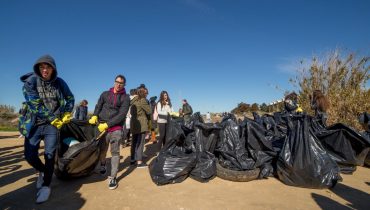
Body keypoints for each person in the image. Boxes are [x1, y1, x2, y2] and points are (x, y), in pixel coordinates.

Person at [19, 55, 75, 203]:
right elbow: (34, 104)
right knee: (29, 155)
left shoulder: (60, 82)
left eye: (48, 67)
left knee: (50, 154)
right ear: (38, 68)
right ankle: (43, 171)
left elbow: (70, 98)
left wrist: (67, 113)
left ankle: (46, 186)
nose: (45, 70)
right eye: (42, 67)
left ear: (53, 69)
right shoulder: (31, 82)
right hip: (35, 123)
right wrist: (53, 119)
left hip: (52, 126)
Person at [89, 75, 129, 190]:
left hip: (115, 128)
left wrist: (108, 124)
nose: (118, 84)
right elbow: (98, 106)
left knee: (115, 152)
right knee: (102, 150)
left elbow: (122, 114)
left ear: (124, 85)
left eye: (121, 83)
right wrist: (95, 115)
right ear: (114, 82)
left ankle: (113, 177)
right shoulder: (105, 94)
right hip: (101, 127)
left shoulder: (125, 97)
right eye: (117, 82)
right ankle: (103, 165)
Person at [130, 86, 151, 168]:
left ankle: (132, 159)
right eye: (146, 93)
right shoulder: (143, 100)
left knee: (134, 142)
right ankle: (139, 162)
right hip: (141, 123)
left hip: (133, 122)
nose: (147, 94)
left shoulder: (133, 100)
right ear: (143, 93)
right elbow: (149, 111)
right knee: (140, 143)